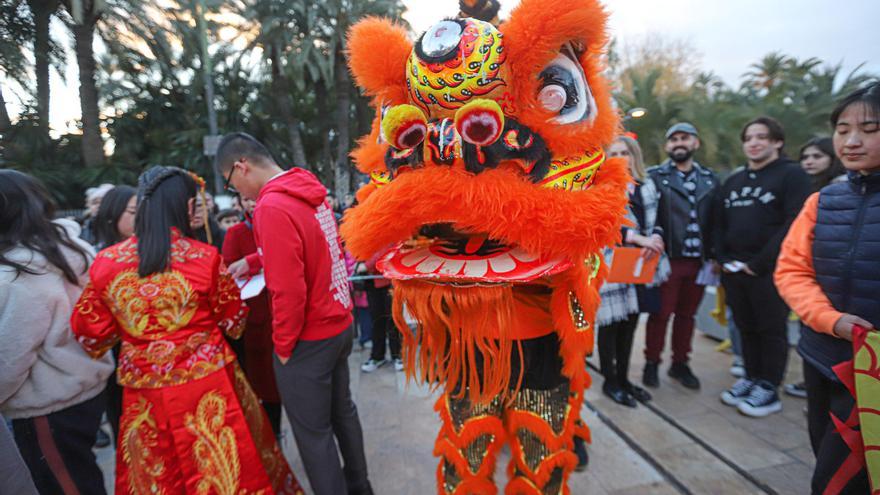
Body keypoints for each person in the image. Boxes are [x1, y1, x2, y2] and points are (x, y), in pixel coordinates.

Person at [70, 166, 302, 495]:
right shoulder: (204, 258)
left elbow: (89, 335)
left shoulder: (107, 263)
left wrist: (135, 335)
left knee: (158, 471)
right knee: (224, 464)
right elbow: (234, 322)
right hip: (210, 384)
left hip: (144, 389)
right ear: (186, 206)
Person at [216, 133, 373, 495]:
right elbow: (315, 245)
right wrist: (254, 260)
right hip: (339, 321)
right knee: (343, 415)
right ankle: (360, 487)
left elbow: (288, 290)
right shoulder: (307, 190)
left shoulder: (271, 206)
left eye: (231, 182)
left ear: (242, 166)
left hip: (308, 338)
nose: (240, 193)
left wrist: (283, 346)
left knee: (313, 435)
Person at [774, 83, 879, 494]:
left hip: (873, 371)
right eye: (842, 129)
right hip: (825, 357)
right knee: (827, 454)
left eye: (869, 129)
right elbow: (791, 271)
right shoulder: (823, 201)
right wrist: (831, 321)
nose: (851, 141)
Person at [0, 170, 114, 495]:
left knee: (64, 485)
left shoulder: (22, 273)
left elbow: (11, 355)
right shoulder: (69, 247)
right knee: (81, 477)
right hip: (82, 387)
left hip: (47, 404)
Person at [716, 116, 813, 417]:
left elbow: (794, 222)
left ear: (777, 142)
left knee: (771, 329)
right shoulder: (735, 180)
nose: (754, 143)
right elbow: (719, 222)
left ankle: (769, 387)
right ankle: (751, 376)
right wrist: (722, 258)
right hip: (734, 270)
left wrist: (758, 264)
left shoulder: (792, 175)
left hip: (769, 271)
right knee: (745, 327)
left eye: (761, 137)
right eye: (749, 138)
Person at [644, 122, 720, 390]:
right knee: (660, 314)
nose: (679, 143)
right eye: (673, 139)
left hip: (698, 261)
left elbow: (717, 221)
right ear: (667, 146)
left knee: (687, 316)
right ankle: (651, 362)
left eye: (684, 138)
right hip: (667, 260)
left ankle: (680, 364)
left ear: (695, 143)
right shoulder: (654, 176)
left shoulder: (711, 180)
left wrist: (715, 255)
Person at [597, 135, 668, 407]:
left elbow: (658, 218)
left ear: (634, 155)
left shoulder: (648, 185)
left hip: (643, 262)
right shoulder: (603, 186)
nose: (620, 158)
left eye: (624, 152)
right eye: (613, 153)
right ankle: (610, 381)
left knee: (630, 326)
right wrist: (638, 238)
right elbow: (604, 224)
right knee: (610, 325)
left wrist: (657, 236)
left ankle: (625, 379)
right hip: (614, 261)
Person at [784, 137, 847, 399]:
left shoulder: (841, 191)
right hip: (810, 284)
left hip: (836, 286)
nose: (809, 161)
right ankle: (813, 386)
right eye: (805, 157)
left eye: (817, 156)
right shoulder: (811, 190)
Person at [221, 194, 283, 436]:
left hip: (286, 311)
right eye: (246, 199)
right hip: (257, 317)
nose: (252, 202)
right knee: (265, 385)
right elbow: (228, 270)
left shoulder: (280, 223)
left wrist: (255, 260)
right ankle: (272, 432)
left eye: (255, 197)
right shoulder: (236, 233)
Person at [91, 184, 138, 446]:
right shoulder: (98, 258)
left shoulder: (151, 250)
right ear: (113, 214)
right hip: (117, 355)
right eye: (133, 211)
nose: (141, 217)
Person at [360, 253, 401, 372]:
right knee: (376, 321)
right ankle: (377, 357)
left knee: (393, 320)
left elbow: (387, 248)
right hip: (372, 282)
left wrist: (367, 265)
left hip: (389, 281)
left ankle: (397, 356)